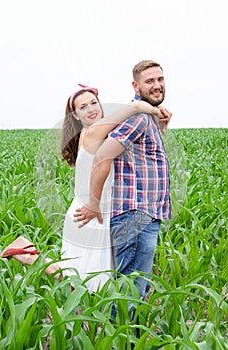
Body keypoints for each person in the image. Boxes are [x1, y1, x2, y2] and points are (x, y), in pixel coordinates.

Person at [1, 83, 170, 292]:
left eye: (93, 103)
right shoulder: (92, 132)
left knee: (84, 276)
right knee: (87, 280)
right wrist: (154, 109)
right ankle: (24, 255)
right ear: (76, 116)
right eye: (83, 107)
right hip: (91, 212)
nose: (91, 109)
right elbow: (133, 109)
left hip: (96, 209)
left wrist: (158, 123)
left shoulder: (103, 133)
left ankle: (26, 253)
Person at [74, 60, 172, 301]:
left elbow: (141, 156)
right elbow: (102, 157)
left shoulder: (144, 118)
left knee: (131, 288)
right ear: (136, 86)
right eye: (149, 81)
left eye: (160, 79)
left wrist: (160, 122)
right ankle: (122, 338)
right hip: (134, 213)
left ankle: (129, 338)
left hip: (139, 213)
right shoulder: (137, 116)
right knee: (127, 290)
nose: (157, 85)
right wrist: (94, 203)